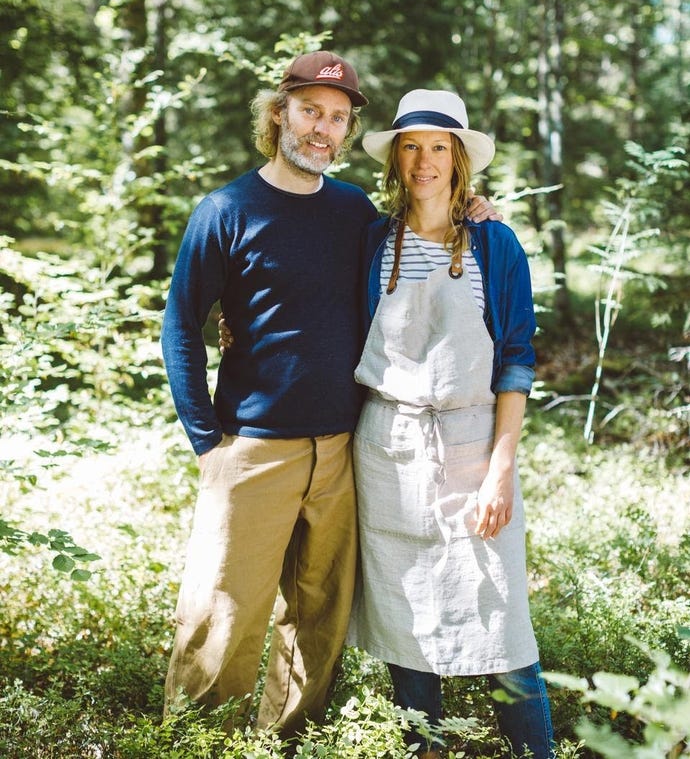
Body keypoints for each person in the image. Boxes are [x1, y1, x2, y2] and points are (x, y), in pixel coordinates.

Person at [161, 51, 498, 739]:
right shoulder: (225, 210)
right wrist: (207, 442)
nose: (323, 128)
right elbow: (180, 325)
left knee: (318, 620)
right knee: (224, 611)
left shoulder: (354, 214)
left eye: (338, 117)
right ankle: (199, 743)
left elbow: (418, 237)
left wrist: (469, 205)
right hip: (252, 448)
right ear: (279, 112)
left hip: (344, 447)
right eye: (311, 110)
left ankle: (286, 743)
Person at [347, 89, 554, 758]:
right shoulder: (373, 239)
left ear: (459, 158)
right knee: (405, 617)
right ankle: (424, 748)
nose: (424, 159)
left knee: (503, 625)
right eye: (412, 145)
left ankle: (534, 752)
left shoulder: (495, 243)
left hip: (472, 443)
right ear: (395, 159)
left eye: (439, 146)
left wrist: (501, 469)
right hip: (387, 445)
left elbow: (516, 358)